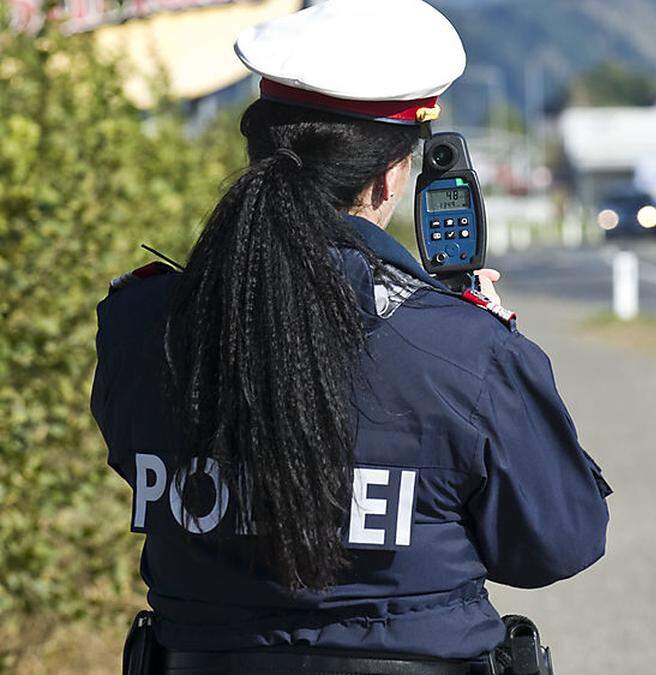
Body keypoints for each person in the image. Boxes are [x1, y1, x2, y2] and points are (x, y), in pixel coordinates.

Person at [91, 1, 611, 673]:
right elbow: (557, 543)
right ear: (392, 173)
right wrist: (478, 338)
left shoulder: (139, 323)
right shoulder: (465, 350)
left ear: (257, 149)